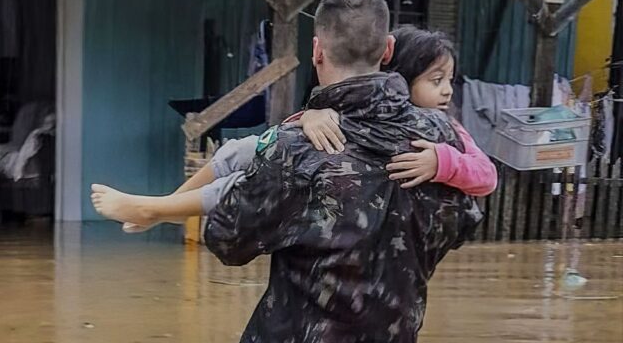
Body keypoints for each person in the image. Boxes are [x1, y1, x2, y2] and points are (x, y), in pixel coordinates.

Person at [90, 26, 496, 229]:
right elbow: (291, 137)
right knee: (241, 151)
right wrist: (309, 116)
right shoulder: (354, 105)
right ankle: (165, 207)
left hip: (362, 207)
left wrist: (442, 162)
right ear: (397, 72)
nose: (445, 91)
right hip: (344, 193)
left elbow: (487, 176)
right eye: (435, 80)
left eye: (448, 81)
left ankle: (156, 210)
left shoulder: (444, 131)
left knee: (248, 184)